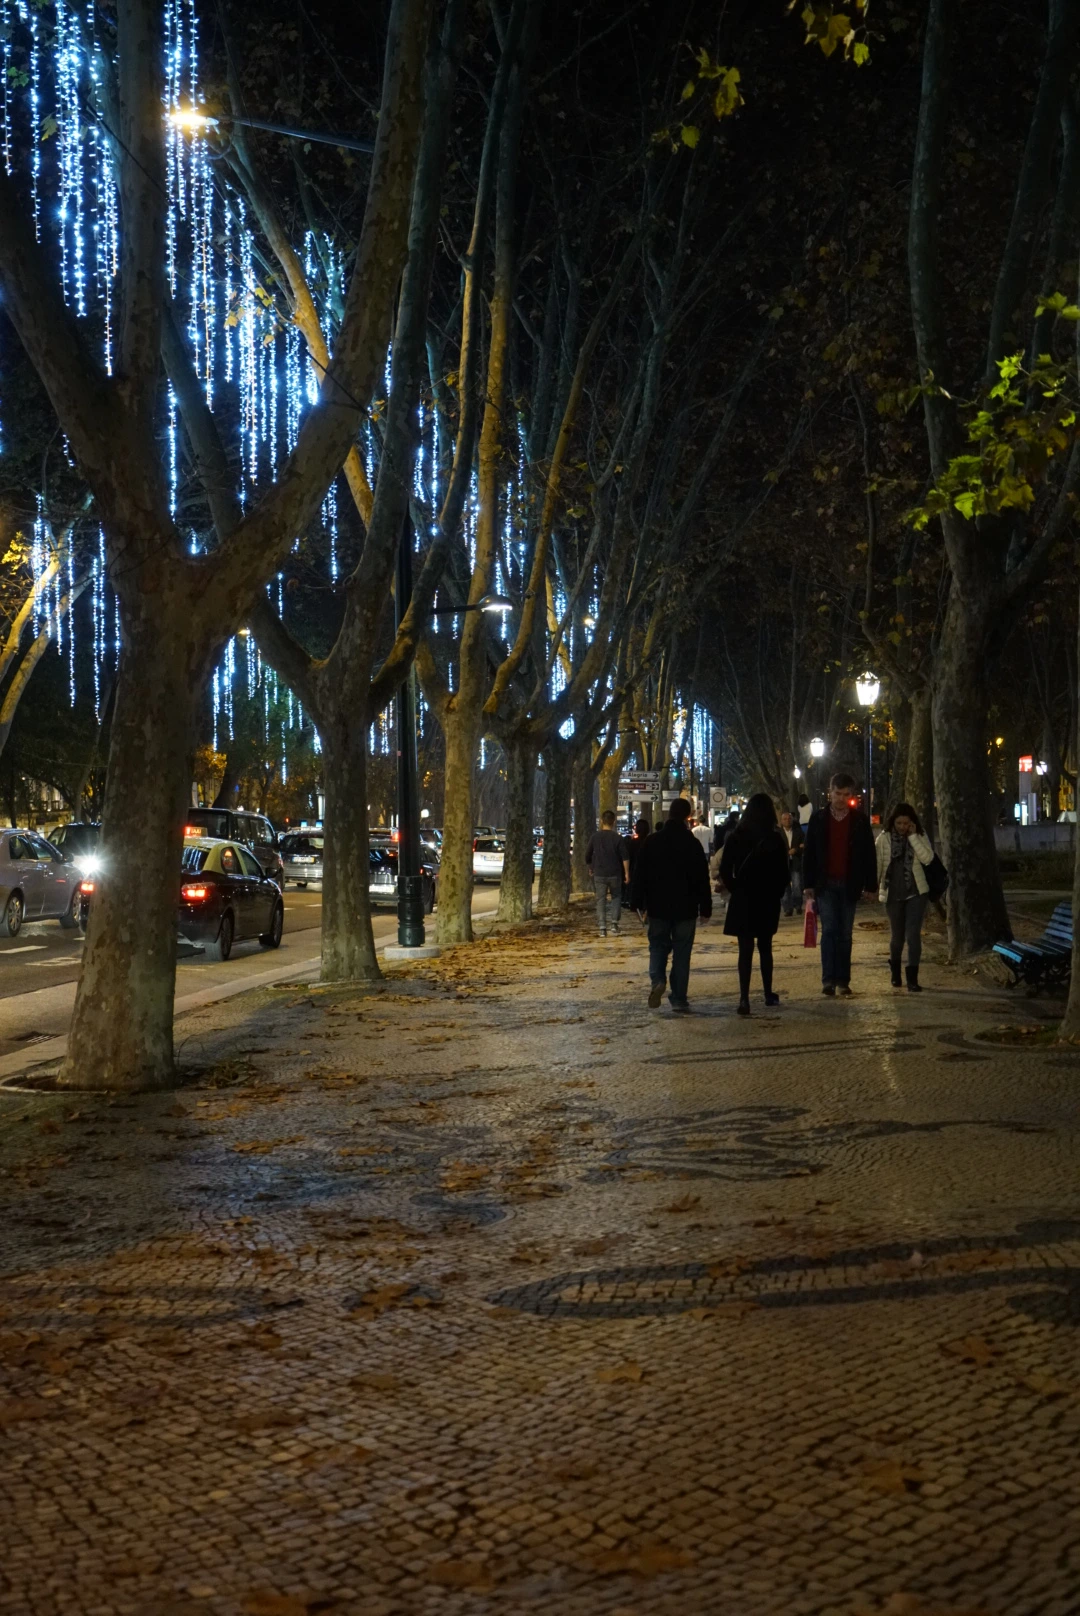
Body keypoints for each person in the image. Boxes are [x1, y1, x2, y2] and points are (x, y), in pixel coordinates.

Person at [630, 796, 712, 1012]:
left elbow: (640, 873)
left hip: (658, 905)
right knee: (682, 953)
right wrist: (705, 907)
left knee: (657, 946)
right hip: (685, 907)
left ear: (669, 814)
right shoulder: (692, 844)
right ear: (687, 815)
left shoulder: (652, 842)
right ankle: (678, 997)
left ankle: (657, 980)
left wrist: (637, 901)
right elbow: (701, 878)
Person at [802, 772, 877, 998]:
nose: (841, 799)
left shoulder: (860, 821)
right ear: (830, 792)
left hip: (849, 883)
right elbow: (810, 853)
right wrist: (808, 884)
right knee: (829, 931)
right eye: (838, 794)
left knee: (845, 933)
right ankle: (828, 979)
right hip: (825, 884)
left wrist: (871, 885)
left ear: (851, 795)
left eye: (846, 795)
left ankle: (843, 980)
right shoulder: (819, 819)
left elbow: (869, 854)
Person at [720, 793, 790, 1015]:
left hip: (744, 897)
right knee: (765, 947)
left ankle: (744, 998)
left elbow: (725, 869)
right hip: (767, 898)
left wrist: (735, 887)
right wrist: (777, 893)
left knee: (745, 950)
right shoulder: (775, 838)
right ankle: (768, 993)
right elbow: (784, 871)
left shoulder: (736, 836)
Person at [876, 802, 935, 992]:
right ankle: (895, 971)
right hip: (892, 894)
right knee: (897, 937)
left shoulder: (919, 835)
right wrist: (872, 888)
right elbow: (878, 864)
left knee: (913, 935)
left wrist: (913, 837)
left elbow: (928, 858)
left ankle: (912, 978)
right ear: (893, 822)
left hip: (916, 893)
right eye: (899, 823)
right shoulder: (883, 839)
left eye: (906, 823)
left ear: (912, 822)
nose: (902, 827)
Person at [585, 809, 629, 937]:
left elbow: (587, 855)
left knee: (601, 900)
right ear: (614, 822)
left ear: (601, 821)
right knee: (616, 897)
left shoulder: (595, 837)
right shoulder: (618, 838)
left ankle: (602, 928)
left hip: (599, 873)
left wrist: (591, 866)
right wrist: (627, 873)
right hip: (615, 873)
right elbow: (625, 857)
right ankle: (614, 923)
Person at [779, 809, 804, 916]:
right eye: (785, 819)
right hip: (782, 863)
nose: (787, 820)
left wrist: (796, 850)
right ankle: (787, 908)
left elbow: (803, 845)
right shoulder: (778, 834)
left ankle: (798, 905)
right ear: (781, 821)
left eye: (789, 818)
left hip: (795, 861)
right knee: (785, 887)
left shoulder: (798, 832)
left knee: (797, 884)